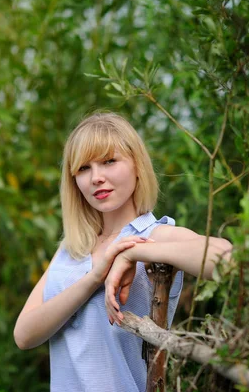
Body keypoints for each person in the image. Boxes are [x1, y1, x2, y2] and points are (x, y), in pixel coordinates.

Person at [14, 112, 232, 391]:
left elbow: (228, 259)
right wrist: (94, 278)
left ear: (137, 165)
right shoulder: (72, 249)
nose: (96, 178)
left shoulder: (155, 235)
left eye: (109, 161)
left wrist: (132, 254)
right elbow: (24, 335)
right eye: (83, 168)